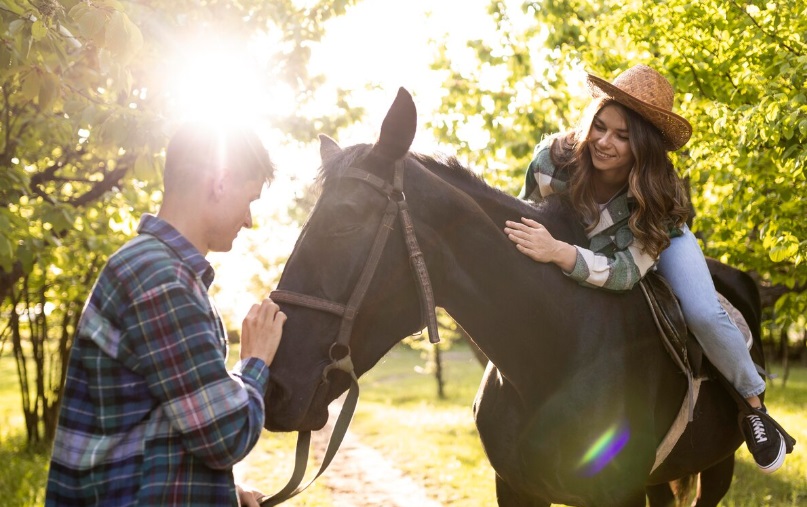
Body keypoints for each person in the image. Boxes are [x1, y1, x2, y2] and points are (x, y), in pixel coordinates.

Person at [503, 64, 793, 473]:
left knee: (702, 312)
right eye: (600, 126)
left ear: (643, 145)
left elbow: (624, 273)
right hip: (579, 241)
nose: (604, 142)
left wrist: (560, 254)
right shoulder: (552, 162)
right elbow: (529, 220)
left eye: (623, 136)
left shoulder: (656, 195)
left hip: (657, 238)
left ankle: (753, 405)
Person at [46, 122, 286, 506]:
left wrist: (223, 493)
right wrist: (255, 361)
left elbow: (167, 418)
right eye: (250, 200)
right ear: (221, 182)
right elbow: (225, 435)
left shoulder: (155, 269)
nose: (248, 220)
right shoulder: (162, 278)